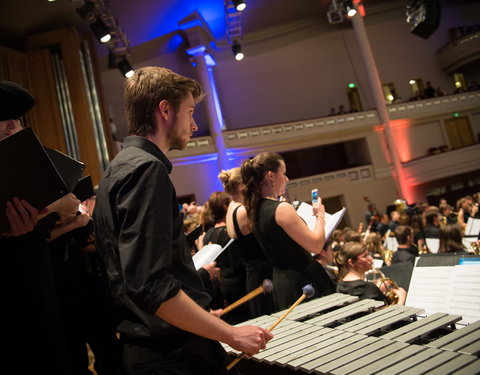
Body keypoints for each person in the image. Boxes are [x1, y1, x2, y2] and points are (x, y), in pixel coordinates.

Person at [93, 66, 272, 375]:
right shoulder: (146, 171)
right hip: (171, 356)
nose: (193, 124)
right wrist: (229, 334)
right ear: (165, 110)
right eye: (189, 112)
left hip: (157, 348)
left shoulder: (117, 168)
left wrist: (201, 317)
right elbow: (150, 286)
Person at [0, 81, 80, 374]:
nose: (14, 127)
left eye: (16, 121)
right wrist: (55, 207)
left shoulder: (23, 165)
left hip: (36, 279)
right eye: (7, 121)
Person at [241, 152, 335, 312]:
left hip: (283, 284)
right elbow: (317, 246)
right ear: (271, 176)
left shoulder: (254, 210)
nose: (287, 179)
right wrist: (320, 215)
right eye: (283, 174)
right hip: (303, 282)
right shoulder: (281, 209)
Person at [219, 167, 273, 319]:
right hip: (262, 273)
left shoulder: (231, 206)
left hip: (254, 272)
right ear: (243, 185)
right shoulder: (242, 211)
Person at [202, 190, 248, 324]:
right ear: (225, 207)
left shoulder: (208, 234)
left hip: (221, 286)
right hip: (236, 284)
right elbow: (238, 263)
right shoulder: (228, 232)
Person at [335, 242, 406, 305]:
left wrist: (377, 290)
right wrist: (402, 298)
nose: (371, 258)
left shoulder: (340, 285)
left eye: (369, 254)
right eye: (365, 256)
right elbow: (390, 317)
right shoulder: (368, 288)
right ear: (351, 262)